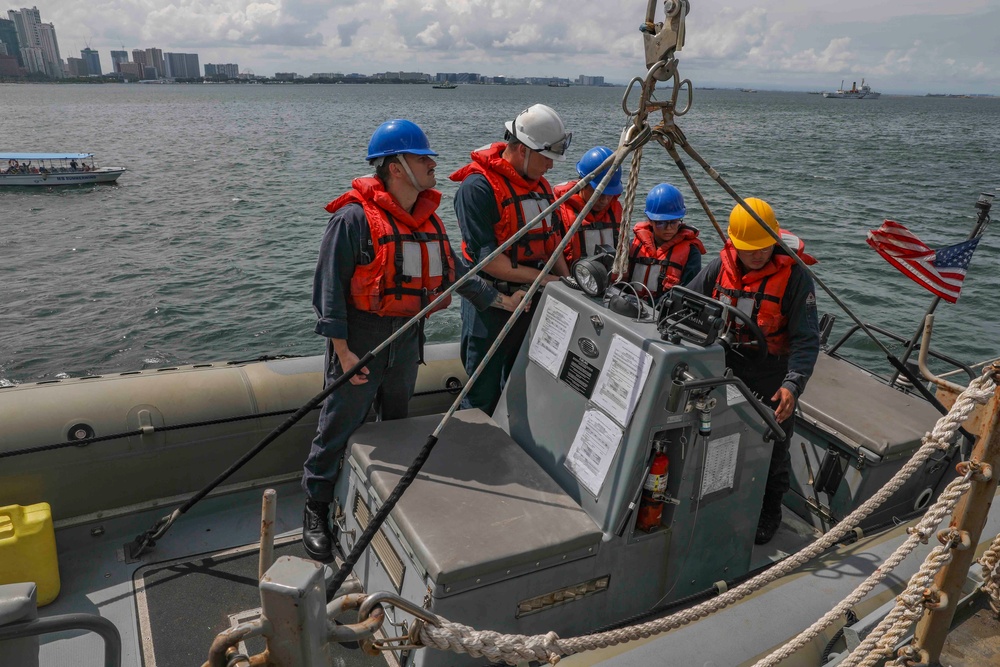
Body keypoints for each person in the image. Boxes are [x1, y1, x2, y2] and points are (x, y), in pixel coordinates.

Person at [302, 119, 525, 562]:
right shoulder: (353, 220)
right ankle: (316, 506)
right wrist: (343, 351)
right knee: (337, 425)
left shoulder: (427, 220)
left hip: (407, 339)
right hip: (362, 339)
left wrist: (498, 300)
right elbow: (328, 287)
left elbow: (452, 271)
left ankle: (381, 498)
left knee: (397, 422)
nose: (432, 164)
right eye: (423, 158)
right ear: (397, 167)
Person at [687, 197, 819, 545]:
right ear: (733, 244)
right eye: (749, 249)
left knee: (775, 445)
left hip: (771, 375)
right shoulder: (719, 267)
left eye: (764, 247)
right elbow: (689, 302)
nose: (758, 255)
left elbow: (807, 340)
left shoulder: (796, 280)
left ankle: (769, 512)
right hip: (725, 366)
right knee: (712, 434)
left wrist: (792, 385)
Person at [450, 103, 572, 414]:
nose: (551, 168)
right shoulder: (477, 188)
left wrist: (568, 282)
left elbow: (553, 240)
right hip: (491, 306)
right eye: (546, 159)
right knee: (481, 394)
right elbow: (487, 262)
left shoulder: (540, 187)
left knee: (521, 386)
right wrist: (548, 280)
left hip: (533, 303)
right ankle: (477, 456)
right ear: (521, 150)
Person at [626, 183, 705, 299]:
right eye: (661, 223)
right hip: (627, 304)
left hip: (663, 313)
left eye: (673, 222)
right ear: (650, 221)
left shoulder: (691, 254)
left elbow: (687, 293)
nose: (668, 228)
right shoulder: (633, 245)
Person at [553, 146, 623, 266]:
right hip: (569, 280)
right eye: (600, 193)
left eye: (610, 194)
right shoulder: (559, 209)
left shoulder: (616, 210)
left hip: (608, 280)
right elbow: (551, 252)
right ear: (583, 183)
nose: (605, 200)